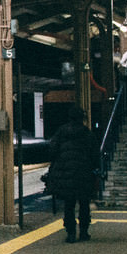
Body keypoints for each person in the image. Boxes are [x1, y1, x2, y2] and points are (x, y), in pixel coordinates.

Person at [44, 104, 97, 243]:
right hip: (83, 174)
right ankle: (84, 232)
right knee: (84, 204)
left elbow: (52, 151)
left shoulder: (61, 132)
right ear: (82, 118)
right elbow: (95, 155)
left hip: (65, 174)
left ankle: (71, 234)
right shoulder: (87, 134)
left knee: (69, 205)